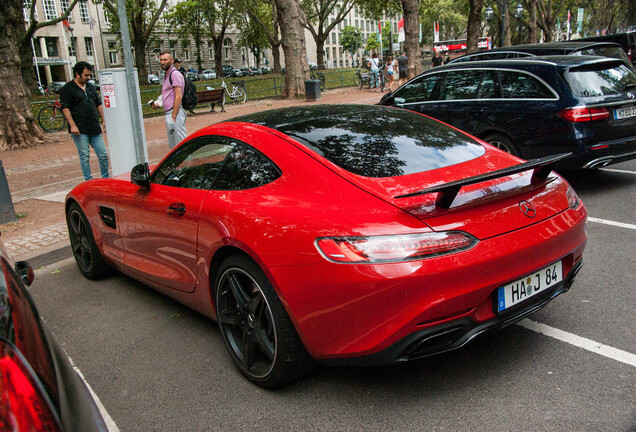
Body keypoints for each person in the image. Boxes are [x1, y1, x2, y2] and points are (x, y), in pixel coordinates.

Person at [60, 61, 109, 181]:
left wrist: (104, 119)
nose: (88, 78)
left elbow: (98, 104)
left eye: (89, 75)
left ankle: (105, 177)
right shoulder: (68, 89)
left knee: (103, 154)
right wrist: (72, 125)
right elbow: (65, 108)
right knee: (84, 156)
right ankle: (88, 179)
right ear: (77, 74)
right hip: (80, 128)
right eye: (86, 75)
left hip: (93, 126)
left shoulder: (90, 87)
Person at [153, 51, 187, 150]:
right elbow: (168, 94)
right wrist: (159, 103)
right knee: (173, 146)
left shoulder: (174, 74)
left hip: (175, 113)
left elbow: (178, 96)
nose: (162, 62)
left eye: (165, 60)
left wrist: (173, 115)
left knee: (180, 145)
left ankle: (186, 164)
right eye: (161, 60)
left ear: (171, 61)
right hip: (170, 113)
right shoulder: (166, 76)